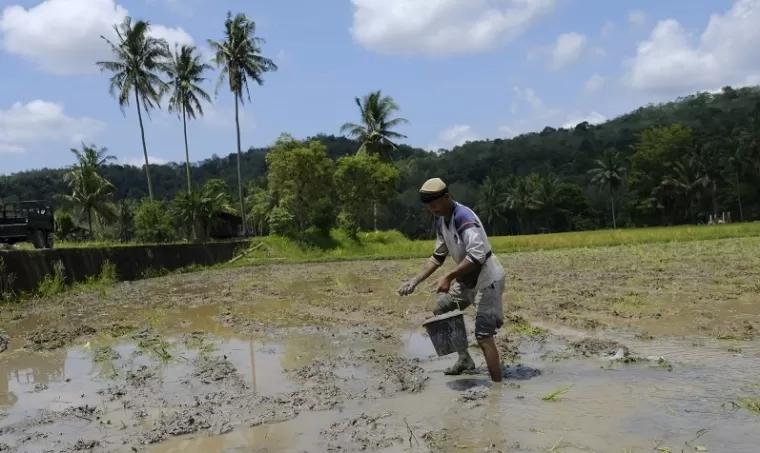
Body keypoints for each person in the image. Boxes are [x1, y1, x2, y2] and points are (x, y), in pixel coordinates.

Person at [397, 177, 506, 382]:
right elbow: (437, 256)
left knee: (483, 336)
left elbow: (477, 255)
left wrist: (448, 276)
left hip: (486, 280)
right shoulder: (441, 220)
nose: (432, 208)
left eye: (435, 203)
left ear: (447, 197)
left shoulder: (463, 217)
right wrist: (415, 280)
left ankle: (497, 388)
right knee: (441, 309)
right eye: (428, 205)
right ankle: (465, 359)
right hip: (466, 281)